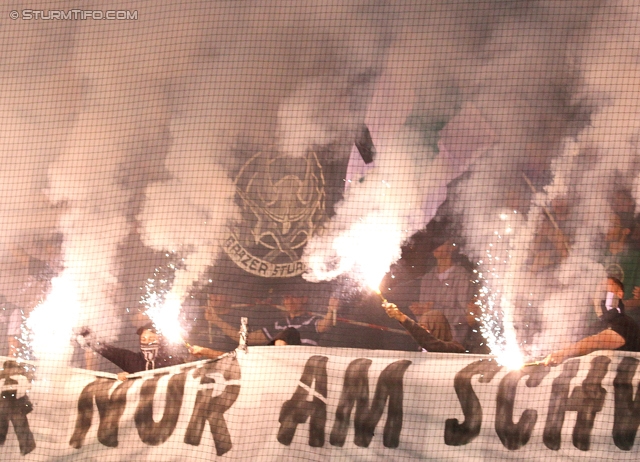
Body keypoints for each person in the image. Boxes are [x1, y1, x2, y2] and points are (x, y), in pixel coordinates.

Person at [543, 277, 640, 366]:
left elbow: (598, 342)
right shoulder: (592, 328)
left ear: (619, 294)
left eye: (604, 288)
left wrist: (563, 353)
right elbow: (575, 346)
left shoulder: (624, 322)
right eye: (596, 291)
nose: (599, 294)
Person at [207, 286, 337, 346]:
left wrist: (331, 310)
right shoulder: (278, 325)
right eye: (287, 297)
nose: (290, 301)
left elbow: (325, 325)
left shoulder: (311, 322)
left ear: (304, 299)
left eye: (294, 297)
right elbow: (245, 339)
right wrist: (217, 320)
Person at [77, 323, 197, 379]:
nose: (146, 342)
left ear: (160, 341)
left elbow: (188, 371)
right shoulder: (131, 359)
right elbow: (106, 350)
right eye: (143, 339)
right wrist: (85, 333)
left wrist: (192, 357)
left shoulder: (171, 361)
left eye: (151, 338)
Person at [418, 238, 473, 344]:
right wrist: (419, 312)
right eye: (434, 244)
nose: (435, 247)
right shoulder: (427, 279)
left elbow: (467, 315)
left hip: (453, 346)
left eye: (441, 243)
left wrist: (434, 311)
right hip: (429, 344)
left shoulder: (462, 277)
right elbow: (423, 317)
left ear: (452, 247)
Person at [383, 302, 466, 353]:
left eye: (425, 327)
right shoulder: (419, 353)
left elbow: (431, 343)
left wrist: (401, 317)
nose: (422, 331)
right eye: (421, 327)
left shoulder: (455, 348)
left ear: (437, 327)